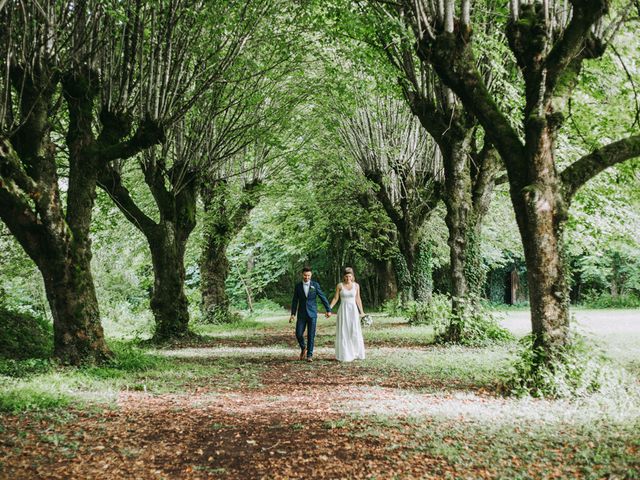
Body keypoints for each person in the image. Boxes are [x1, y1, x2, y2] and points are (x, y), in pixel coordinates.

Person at [290, 266, 332, 362]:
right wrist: (293, 314)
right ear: (302, 275)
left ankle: (309, 355)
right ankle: (303, 347)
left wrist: (328, 310)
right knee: (298, 333)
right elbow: (295, 300)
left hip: (312, 313)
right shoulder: (298, 286)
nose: (307, 277)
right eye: (305, 275)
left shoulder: (315, 285)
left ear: (311, 275)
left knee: (311, 335)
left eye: (308, 275)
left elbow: (322, 297)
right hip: (301, 314)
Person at [330, 267, 365, 362]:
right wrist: (330, 308)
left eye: (350, 276)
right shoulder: (340, 286)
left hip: (353, 310)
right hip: (343, 310)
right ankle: (345, 354)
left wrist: (361, 311)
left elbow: (358, 299)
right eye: (346, 276)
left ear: (352, 276)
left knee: (354, 330)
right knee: (344, 330)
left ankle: (356, 352)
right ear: (343, 277)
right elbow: (335, 298)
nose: (348, 278)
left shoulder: (356, 286)